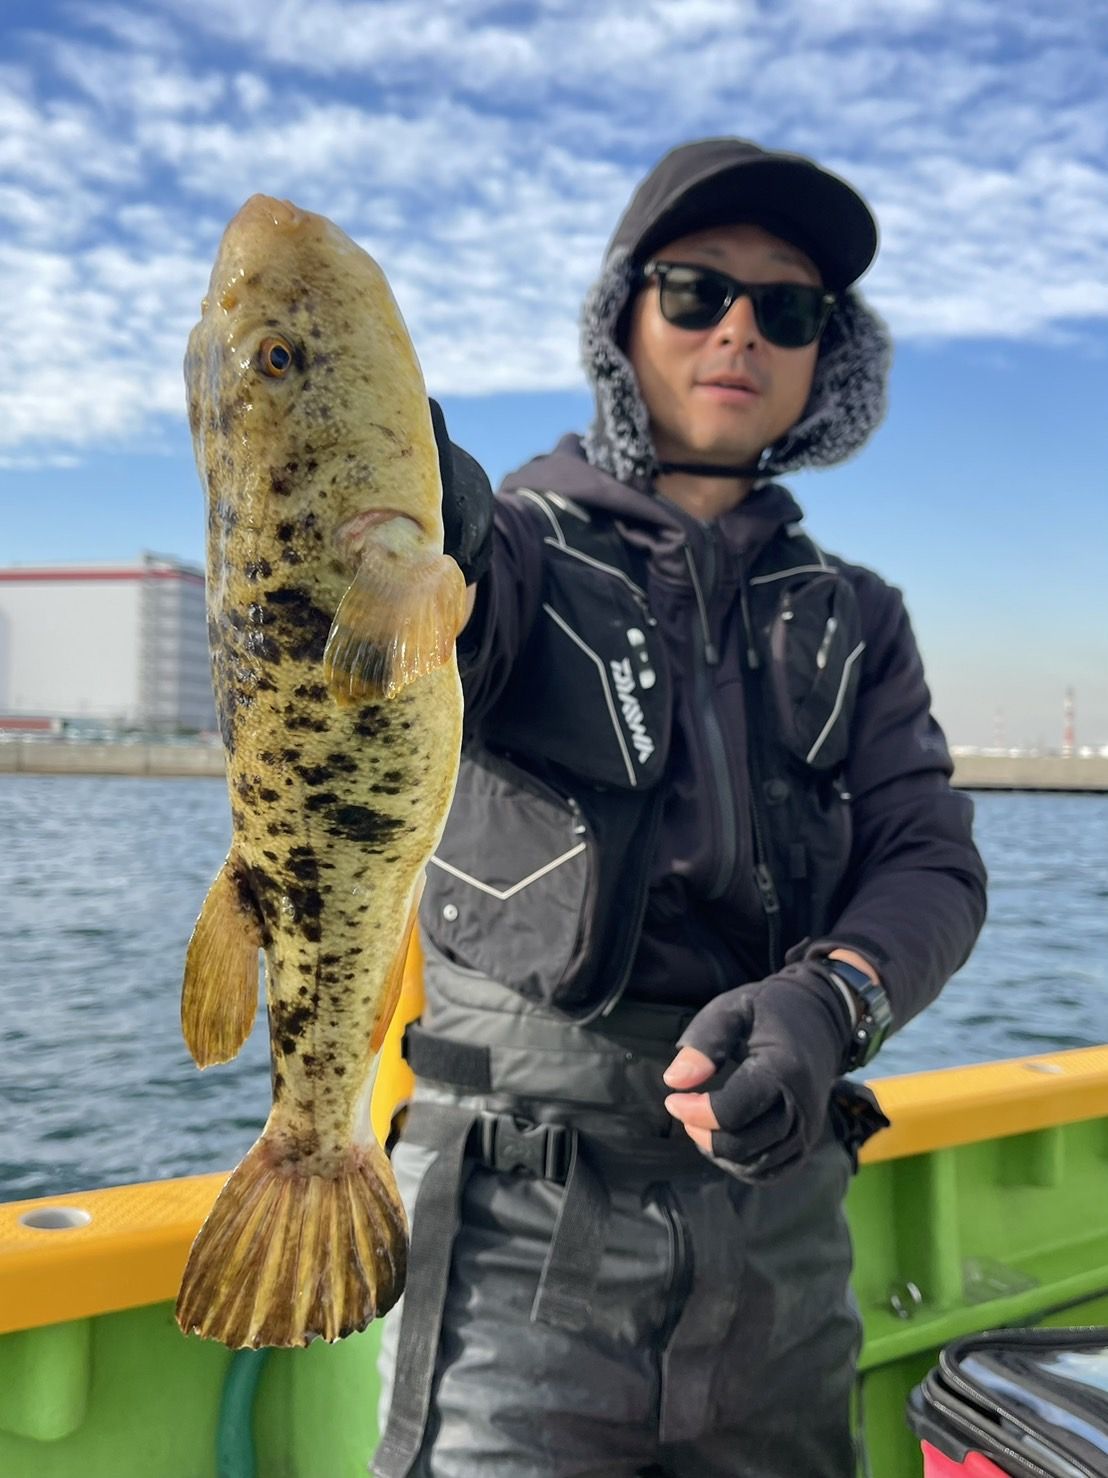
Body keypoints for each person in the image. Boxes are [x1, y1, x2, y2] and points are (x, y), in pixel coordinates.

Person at [373, 137, 987, 1478]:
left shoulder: (860, 617)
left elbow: (930, 861)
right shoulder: (515, 552)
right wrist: (381, 452)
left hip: (784, 1245)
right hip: (508, 1250)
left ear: (829, 357)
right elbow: (442, 571)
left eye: (791, 307)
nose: (740, 331)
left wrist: (834, 1000)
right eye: (698, 290)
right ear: (623, 321)